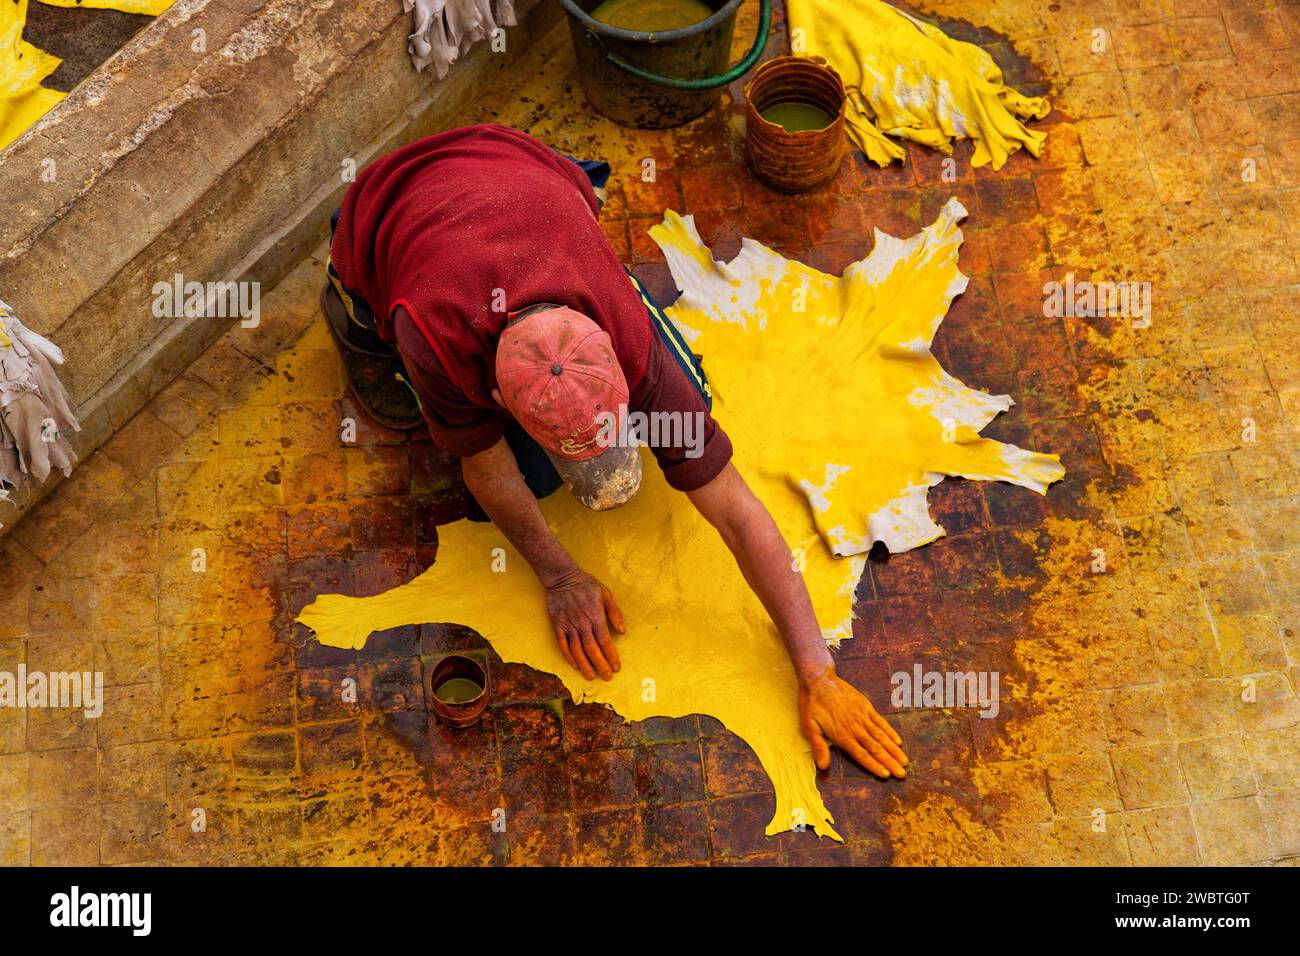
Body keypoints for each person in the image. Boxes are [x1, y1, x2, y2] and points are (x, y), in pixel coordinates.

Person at [323, 123, 907, 778]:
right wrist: (560, 576)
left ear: (617, 355)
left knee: (686, 409)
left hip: (514, 162)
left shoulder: (630, 337)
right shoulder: (434, 335)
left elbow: (740, 514)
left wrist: (816, 673)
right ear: (492, 390)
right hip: (383, 210)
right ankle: (350, 311)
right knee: (526, 478)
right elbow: (486, 466)